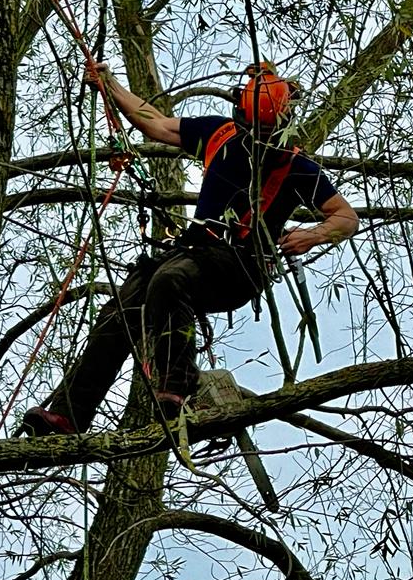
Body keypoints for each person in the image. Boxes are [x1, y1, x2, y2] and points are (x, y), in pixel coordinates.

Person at [20, 61, 359, 436]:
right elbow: (156, 123)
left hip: (239, 264)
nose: (261, 138)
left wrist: (312, 234)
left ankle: (177, 388)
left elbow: (345, 217)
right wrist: (111, 85)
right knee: (120, 310)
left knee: (169, 281)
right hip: (194, 251)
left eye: (269, 130)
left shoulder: (296, 166)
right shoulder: (221, 133)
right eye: (255, 129)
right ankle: (70, 415)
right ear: (241, 117)